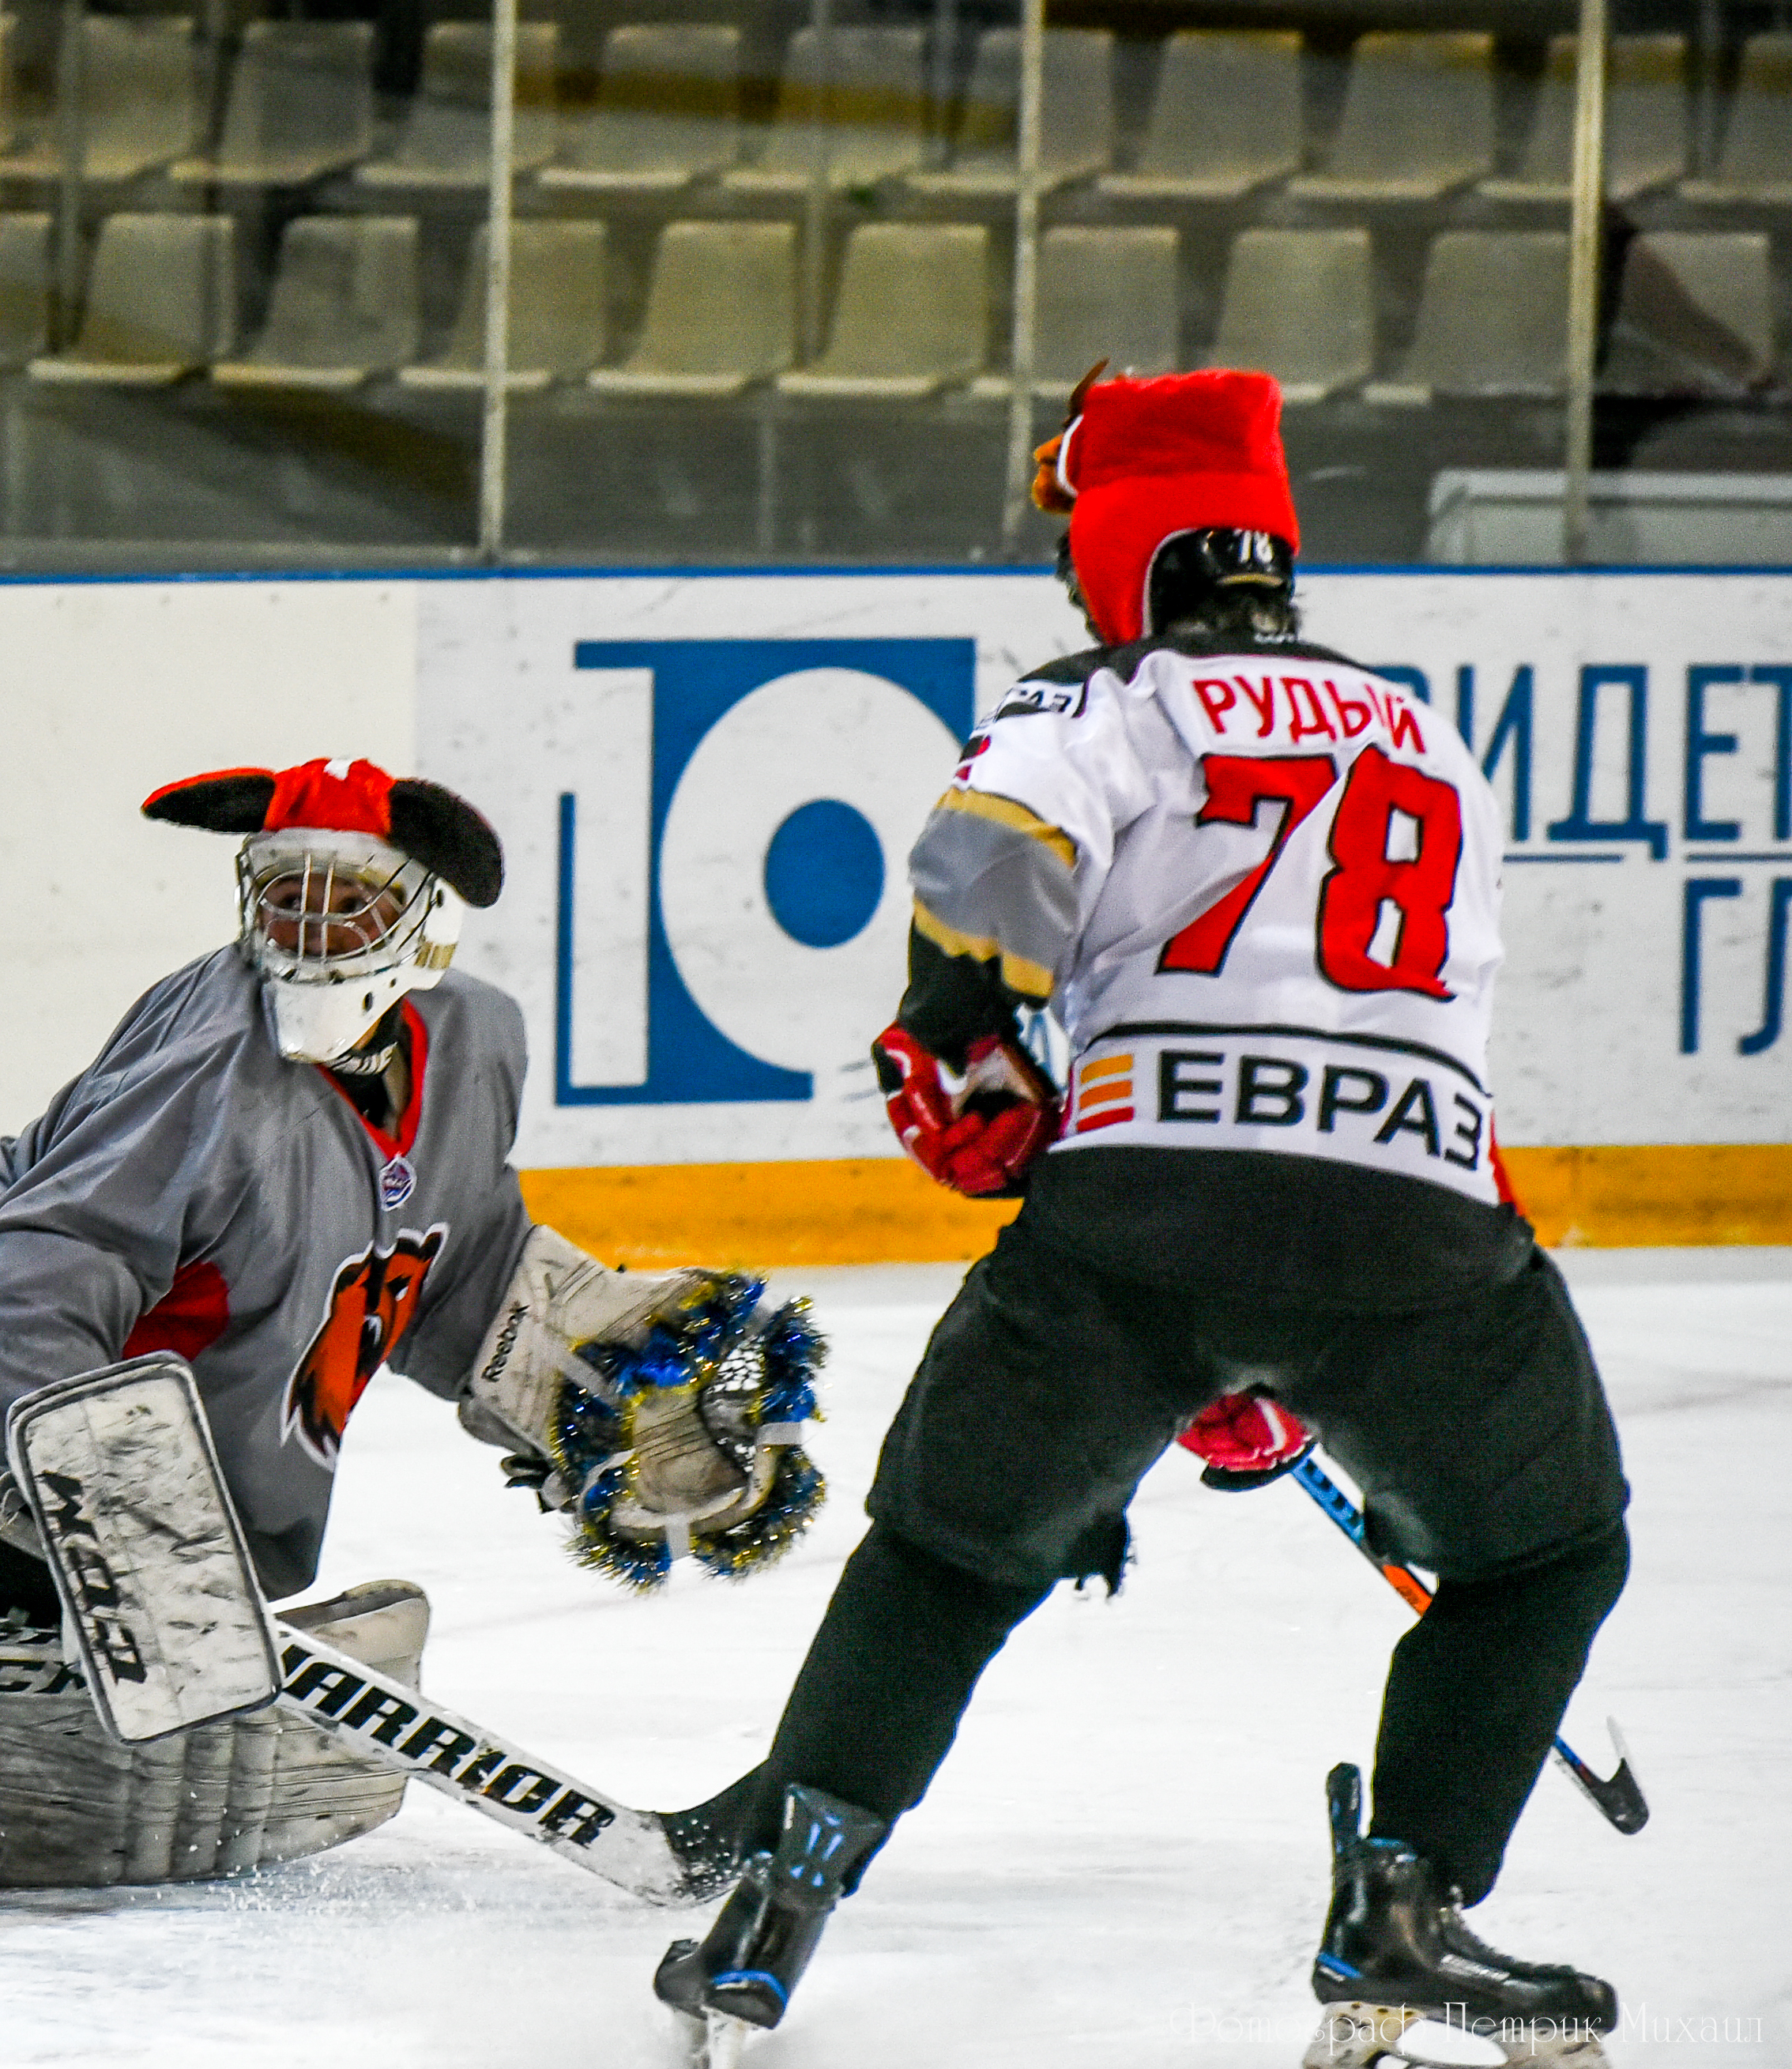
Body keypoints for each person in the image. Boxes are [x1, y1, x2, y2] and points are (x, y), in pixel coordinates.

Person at [653, 369, 1629, 2069]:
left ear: (1123, 550)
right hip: (1419, 1227)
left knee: (951, 1556)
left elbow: (980, 874)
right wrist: (1312, 1342)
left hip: (1133, 1216)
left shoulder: (1105, 698)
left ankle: (777, 1896)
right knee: (1543, 1552)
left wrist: (962, 1048)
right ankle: (1404, 1907)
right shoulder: (1430, 738)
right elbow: (1407, 1050)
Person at [0, 756, 824, 1622]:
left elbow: (444, 1271)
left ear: (425, 923)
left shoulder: (475, 1042)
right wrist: (114, 1510)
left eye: (350, 902)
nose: (312, 932)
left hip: (58, 1426)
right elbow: (9, 1293)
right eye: (287, 898)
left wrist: (588, 1371)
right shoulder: (216, 1071)